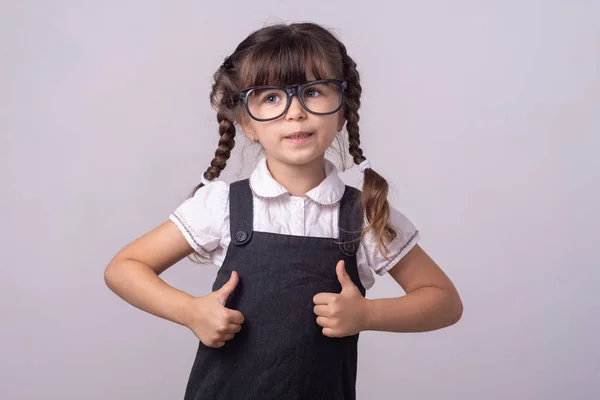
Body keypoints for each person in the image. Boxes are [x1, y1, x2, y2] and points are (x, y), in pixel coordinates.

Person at [104, 22, 463, 400]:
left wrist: (368, 315)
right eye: (271, 97)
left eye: (312, 91)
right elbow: (124, 268)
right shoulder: (223, 206)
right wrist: (191, 312)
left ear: (342, 109)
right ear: (246, 122)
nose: (294, 112)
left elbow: (443, 301)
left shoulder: (365, 216)